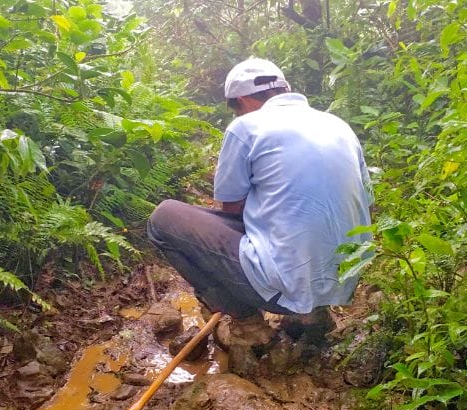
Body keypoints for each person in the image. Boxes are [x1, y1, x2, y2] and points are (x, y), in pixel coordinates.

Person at [147, 57, 373, 339]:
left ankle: (247, 323)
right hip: (346, 281)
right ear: (286, 89)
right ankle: (314, 313)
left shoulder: (246, 127)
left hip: (287, 289)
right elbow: (365, 201)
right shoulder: (338, 125)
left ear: (241, 100)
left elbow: (231, 212)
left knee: (164, 217)